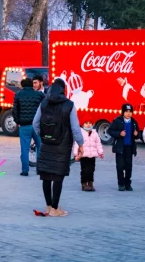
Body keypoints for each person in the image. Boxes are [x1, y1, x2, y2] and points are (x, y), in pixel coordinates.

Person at [33, 78, 84, 217]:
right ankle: (55, 208)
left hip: (46, 144)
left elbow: (35, 123)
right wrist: (80, 144)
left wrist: (43, 135)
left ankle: (49, 206)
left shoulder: (44, 103)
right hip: (62, 145)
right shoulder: (69, 105)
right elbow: (75, 128)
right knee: (57, 177)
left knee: (46, 176)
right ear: (63, 90)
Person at [12, 77, 44, 176]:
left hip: (24, 125)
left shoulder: (18, 95)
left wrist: (18, 121)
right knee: (40, 147)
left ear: (22, 85)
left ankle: (25, 170)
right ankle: (40, 169)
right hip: (37, 126)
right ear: (31, 84)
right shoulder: (39, 95)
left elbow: (14, 111)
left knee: (24, 149)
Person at [108, 103, 139, 191]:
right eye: (126, 111)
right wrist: (119, 134)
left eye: (130, 112)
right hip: (120, 147)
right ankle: (121, 184)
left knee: (129, 166)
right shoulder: (117, 121)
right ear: (123, 112)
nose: (128, 113)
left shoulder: (133, 122)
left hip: (130, 147)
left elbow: (137, 134)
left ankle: (128, 184)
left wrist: (136, 135)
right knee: (120, 166)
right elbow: (110, 130)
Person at [72, 120, 104, 191]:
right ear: (83, 125)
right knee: (84, 170)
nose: (88, 125)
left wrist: (100, 152)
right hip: (84, 155)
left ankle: (90, 183)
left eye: (90, 123)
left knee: (92, 170)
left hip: (92, 155)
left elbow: (98, 143)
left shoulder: (95, 133)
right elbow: (77, 144)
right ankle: (84, 183)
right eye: (86, 123)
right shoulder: (80, 133)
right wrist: (76, 154)